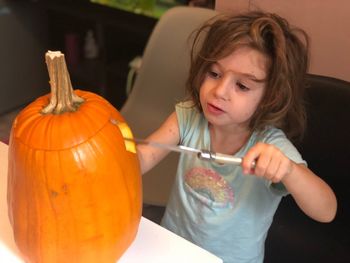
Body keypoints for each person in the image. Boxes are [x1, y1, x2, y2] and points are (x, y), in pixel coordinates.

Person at [136, 11, 337, 263]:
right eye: (214, 73)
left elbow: (327, 211)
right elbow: (144, 155)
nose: (219, 91)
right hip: (175, 249)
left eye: (241, 86)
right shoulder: (189, 115)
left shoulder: (272, 148)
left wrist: (289, 171)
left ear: (271, 97)